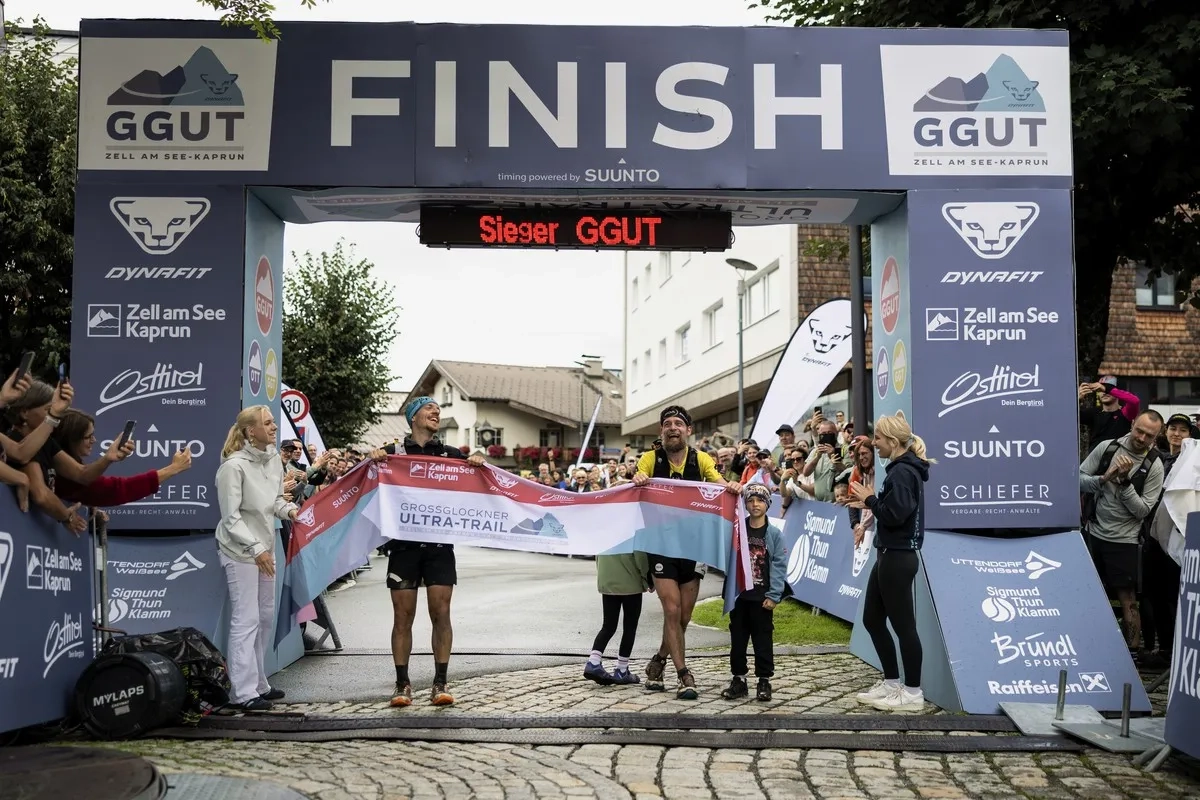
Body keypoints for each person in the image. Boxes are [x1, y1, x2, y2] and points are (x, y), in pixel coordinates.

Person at [377, 396, 486, 708]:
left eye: (439, 409)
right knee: (403, 617)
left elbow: (478, 485)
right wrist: (371, 459)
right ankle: (402, 684)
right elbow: (366, 481)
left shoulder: (451, 455)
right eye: (429, 409)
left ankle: (440, 682)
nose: (436, 412)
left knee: (441, 614)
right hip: (404, 547)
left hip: (439, 546)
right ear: (413, 417)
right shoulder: (392, 453)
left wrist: (477, 462)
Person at [632, 405, 741, 699]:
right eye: (667, 423)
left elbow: (720, 486)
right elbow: (637, 482)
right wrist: (639, 480)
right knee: (671, 609)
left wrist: (729, 485)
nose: (672, 427)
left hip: (693, 546)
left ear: (688, 431)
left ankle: (658, 661)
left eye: (678, 423)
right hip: (660, 545)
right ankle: (684, 675)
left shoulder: (701, 459)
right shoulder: (649, 459)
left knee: (682, 618)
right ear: (661, 431)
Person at [215, 405, 300, 711]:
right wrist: (256, 549)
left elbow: (276, 501)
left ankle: (259, 682)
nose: (274, 427)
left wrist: (291, 511)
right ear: (251, 431)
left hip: (264, 547)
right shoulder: (233, 468)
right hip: (239, 551)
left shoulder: (274, 460)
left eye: (273, 422)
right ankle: (242, 692)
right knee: (246, 618)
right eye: (268, 423)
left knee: (264, 617)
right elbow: (230, 518)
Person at [848, 413, 933, 713]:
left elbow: (895, 515)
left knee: (904, 627)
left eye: (879, 439)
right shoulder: (899, 469)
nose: (874, 443)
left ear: (893, 442)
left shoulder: (902, 473)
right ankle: (892, 682)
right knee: (872, 618)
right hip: (888, 553)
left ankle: (912, 692)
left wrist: (871, 500)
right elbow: (894, 511)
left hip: (898, 556)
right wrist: (870, 502)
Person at [720, 483, 788, 702]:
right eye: (750, 500)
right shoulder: (737, 529)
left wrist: (774, 594)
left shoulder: (774, 534)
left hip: (762, 597)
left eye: (759, 500)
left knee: (762, 640)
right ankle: (739, 679)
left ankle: (764, 681)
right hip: (739, 596)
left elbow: (779, 564)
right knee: (737, 639)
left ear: (767, 504)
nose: (755, 504)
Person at [583, 549, 652, 686]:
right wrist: (648, 578)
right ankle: (622, 669)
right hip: (630, 582)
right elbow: (640, 558)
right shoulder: (633, 530)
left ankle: (594, 661)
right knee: (630, 627)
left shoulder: (604, 530)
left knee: (608, 626)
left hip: (607, 581)